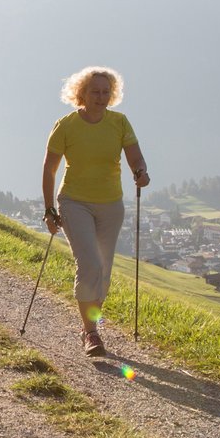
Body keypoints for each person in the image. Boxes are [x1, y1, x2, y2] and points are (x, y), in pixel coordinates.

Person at [42, 66, 150, 357]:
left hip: (111, 204)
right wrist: (49, 208)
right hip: (75, 202)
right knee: (89, 264)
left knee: (102, 269)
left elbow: (135, 156)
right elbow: (50, 168)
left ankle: (91, 326)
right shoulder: (66, 125)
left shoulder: (119, 122)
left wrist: (140, 172)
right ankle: (90, 332)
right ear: (82, 93)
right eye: (95, 91)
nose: (101, 97)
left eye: (106, 92)